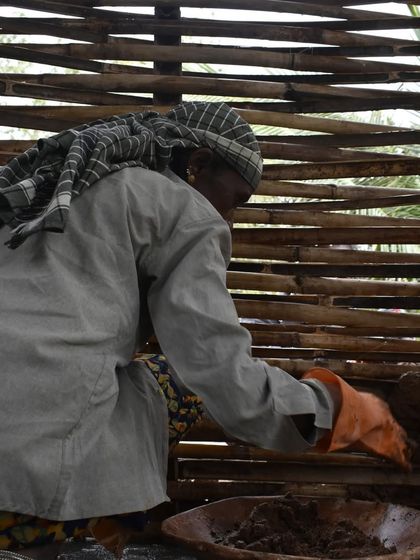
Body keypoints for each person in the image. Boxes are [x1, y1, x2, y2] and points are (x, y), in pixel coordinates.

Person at [0, 102, 410, 556]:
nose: (229, 220)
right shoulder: (180, 206)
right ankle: (64, 532)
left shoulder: (61, 191)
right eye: (235, 200)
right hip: (21, 463)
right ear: (196, 165)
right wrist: (342, 411)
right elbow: (220, 372)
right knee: (178, 384)